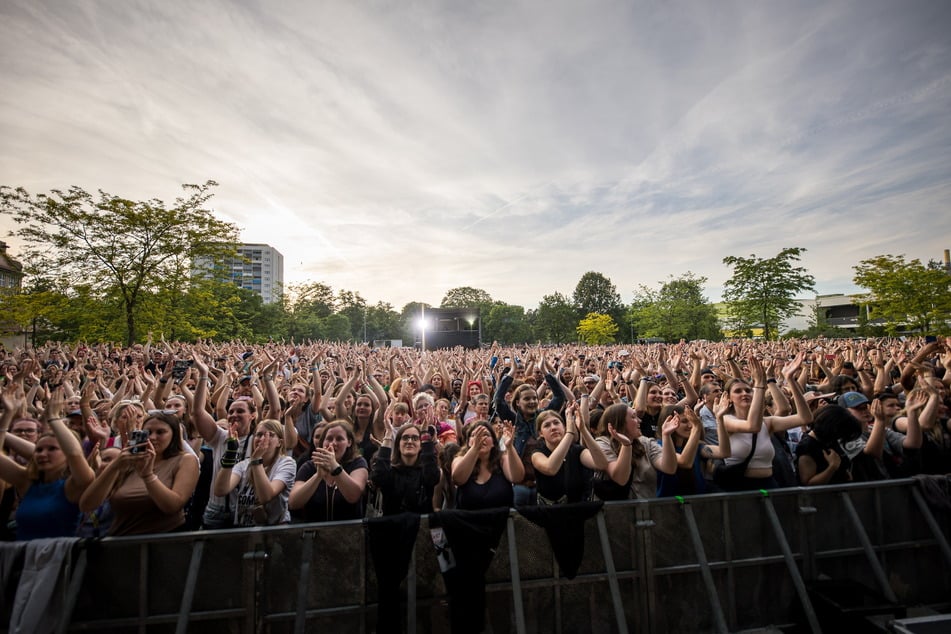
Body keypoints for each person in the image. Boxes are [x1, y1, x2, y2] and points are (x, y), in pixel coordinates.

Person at [79, 412, 199, 535]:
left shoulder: (185, 460)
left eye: (160, 432)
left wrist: (148, 476)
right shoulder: (129, 462)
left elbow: (173, 506)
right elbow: (87, 505)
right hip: (121, 542)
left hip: (164, 542)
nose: (152, 437)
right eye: (148, 432)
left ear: (173, 435)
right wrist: (115, 466)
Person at [0, 391, 95, 540]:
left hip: (61, 560)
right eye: (38, 450)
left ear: (66, 455)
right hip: (26, 559)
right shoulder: (26, 483)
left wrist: (53, 418)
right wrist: (8, 414)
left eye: (52, 449)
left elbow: (75, 454)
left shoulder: (74, 486)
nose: (43, 454)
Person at [720, 354, 813, 491]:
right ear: (729, 398)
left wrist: (790, 379)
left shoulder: (767, 423)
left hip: (769, 484)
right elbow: (752, 426)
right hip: (741, 487)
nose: (744, 393)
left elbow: (805, 418)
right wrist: (759, 386)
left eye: (748, 390)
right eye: (738, 391)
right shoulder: (726, 420)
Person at [214, 419, 297, 526]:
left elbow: (266, 496)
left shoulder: (287, 463)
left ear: (279, 443)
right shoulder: (243, 465)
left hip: (274, 532)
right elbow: (220, 490)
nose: (263, 439)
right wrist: (231, 452)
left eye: (270, 435)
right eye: (259, 435)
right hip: (244, 531)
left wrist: (256, 460)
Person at [530, 399, 610, 504]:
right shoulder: (537, 453)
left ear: (563, 427)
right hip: (549, 513)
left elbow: (601, 464)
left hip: (576, 511)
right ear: (541, 433)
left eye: (556, 423)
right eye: (547, 425)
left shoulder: (577, 451)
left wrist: (583, 430)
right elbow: (551, 468)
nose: (553, 427)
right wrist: (569, 433)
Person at [593, 402, 678, 500]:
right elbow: (620, 478)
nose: (639, 420)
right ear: (620, 422)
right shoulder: (602, 443)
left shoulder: (645, 442)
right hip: (615, 512)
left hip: (648, 510)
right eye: (633, 417)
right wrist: (626, 445)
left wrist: (666, 436)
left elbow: (669, 468)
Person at [288, 420, 368, 522]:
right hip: (315, 533)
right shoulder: (309, 467)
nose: (333, 443)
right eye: (329, 439)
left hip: (349, 533)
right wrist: (317, 476)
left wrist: (334, 467)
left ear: (349, 442)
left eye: (339, 439)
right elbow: (293, 503)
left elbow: (353, 496)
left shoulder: (358, 463)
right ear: (322, 442)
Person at [655, 402, 731, 497]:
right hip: (670, 505)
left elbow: (724, 452)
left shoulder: (696, 445)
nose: (690, 425)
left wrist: (719, 419)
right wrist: (697, 427)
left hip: (698, 503)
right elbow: (685, 462)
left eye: (690, 421)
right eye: (684, 421)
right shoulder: (660, 446)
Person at [370, 421, 440, 515]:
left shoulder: (425, 472)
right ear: (398, 445)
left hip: (420, 527)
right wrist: (388, 434)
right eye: (405, 438)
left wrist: (424, 434)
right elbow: (378, 477)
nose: (410, 441)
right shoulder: (390, 471)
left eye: (415, 438)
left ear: (420, 446)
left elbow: (432, 476)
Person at [452, 420, 523, 510]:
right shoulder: (459, 459)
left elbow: (517, 478)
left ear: (493, 442)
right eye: (475, 435)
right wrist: (475, 449)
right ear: (468, 442)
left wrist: (509, 447)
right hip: (468, 521)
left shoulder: (502, 459)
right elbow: (458, 479)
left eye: (486, 435)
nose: (481, 438)